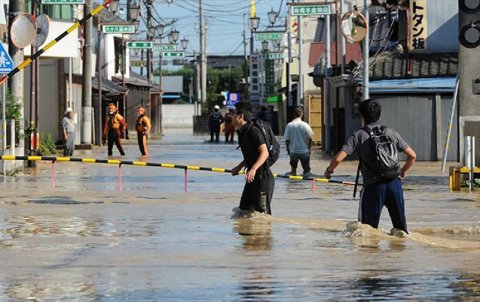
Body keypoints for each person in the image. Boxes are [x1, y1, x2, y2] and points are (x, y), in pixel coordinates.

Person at [323, 99, 416, 234]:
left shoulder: (359, 135)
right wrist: (402, 171)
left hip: (373, 187)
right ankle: (398, 254)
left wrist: (329, 171)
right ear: (379, 114)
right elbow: (412, 156)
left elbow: (338, 158)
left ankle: (371, 255)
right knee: (401, 231)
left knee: (366, 232)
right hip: (395, 184)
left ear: (362, 116)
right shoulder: (390, 132)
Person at [230, 101, 275, 215]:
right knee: (242, 212)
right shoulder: (242, 132)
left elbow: (264, 153)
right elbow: (252, 155)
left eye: (234, 113)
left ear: (241, 116)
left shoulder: (253, 131)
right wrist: (239, 166)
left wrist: (253, 168)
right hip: (252, 179)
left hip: (263, 179)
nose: (231, 115)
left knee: (262, 216)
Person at [284, 106, 314, 177]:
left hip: (293, 151)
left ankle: (294, 186)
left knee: (293, 172)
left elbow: (287, 140)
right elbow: (310, 139)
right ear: (302, 114)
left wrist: (288, 150)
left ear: (293, 114)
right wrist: (308, 149)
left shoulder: (289, 125)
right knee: (307, 173)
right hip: (304, 151)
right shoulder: (305, 125)